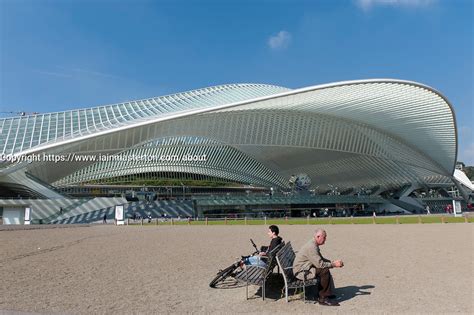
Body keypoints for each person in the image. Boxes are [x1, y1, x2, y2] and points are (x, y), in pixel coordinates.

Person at [293, 229, 344, 306]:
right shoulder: (312, 247)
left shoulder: (313, 244)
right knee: (324, 270)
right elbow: (320, 264)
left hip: (305, 268)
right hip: (302, 272)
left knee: (325, 269)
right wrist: (334, 265)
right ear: (318, 236)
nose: (325, 239)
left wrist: (332, 262)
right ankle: (323, 298)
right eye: (324, 237)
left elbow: (320, 259)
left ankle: (326, 294)